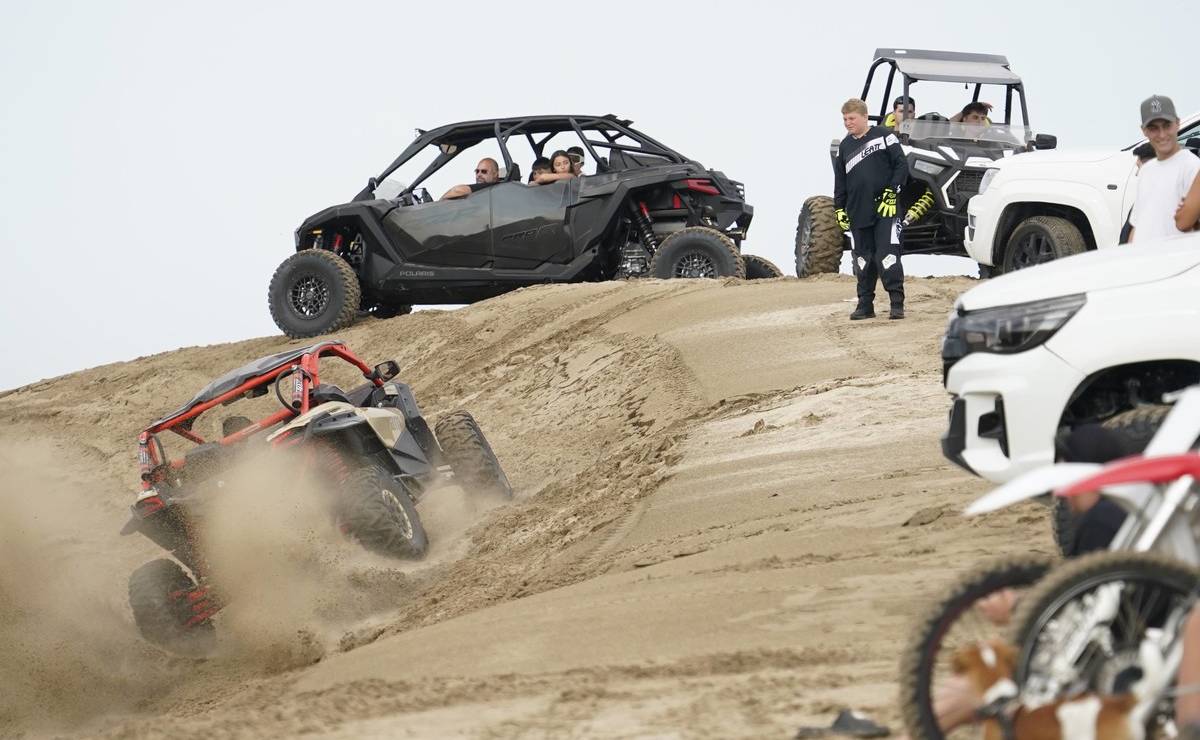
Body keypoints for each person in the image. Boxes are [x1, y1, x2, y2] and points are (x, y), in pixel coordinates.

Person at [833, 98, 907, 321]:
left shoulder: (885, 135)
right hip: (858, 212)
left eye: (852, 118)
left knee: (888, 256)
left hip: (887, 210)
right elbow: (840, 182)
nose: (848, 123)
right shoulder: (844, 147)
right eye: (845, 119)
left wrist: (892, 191)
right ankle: (865, 305)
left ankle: (897, 304)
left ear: (865, 117)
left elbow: (901, 165)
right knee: (863, 260)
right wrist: (839, 209)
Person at [1128, 95, 1200, 243]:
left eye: (1167, 125)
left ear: (1177, 124)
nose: (1162, 134)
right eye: (1153, 128)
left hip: (1173, 262)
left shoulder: (1192, 168)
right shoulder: (1146, 170)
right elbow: (1137, 226)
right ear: (1143, 131)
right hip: (1142, 261)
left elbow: (1187, 225)